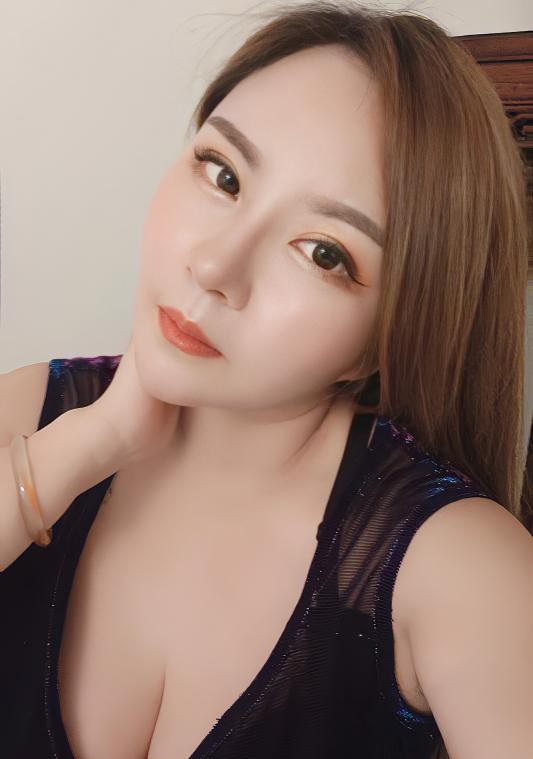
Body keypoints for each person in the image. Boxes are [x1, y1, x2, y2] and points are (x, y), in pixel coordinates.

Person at [1, 3, 532, 758]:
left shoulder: (457, 570)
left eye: (323, 253)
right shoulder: (36, 415)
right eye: (223, 174)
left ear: (392, 332)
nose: (215, 266)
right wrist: (94, 441)